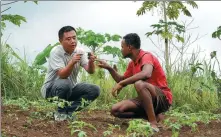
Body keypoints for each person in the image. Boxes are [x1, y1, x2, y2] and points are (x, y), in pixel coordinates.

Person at [98, 33, 172, 132]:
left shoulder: (146, 56)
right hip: (146, 99)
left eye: (122, 47)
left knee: (139, 84)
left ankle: (153, 123)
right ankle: (153, 115)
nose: (121, 49)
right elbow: (121, 79)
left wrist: (122, 84)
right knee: (115, 110)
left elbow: (146, 74)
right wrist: (109, 68)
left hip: (162, 98)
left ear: (129, 47)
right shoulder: (132, 63)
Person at [41, 26, 100, 121]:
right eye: (68, 39)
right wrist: (72, 62)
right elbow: (62, 75)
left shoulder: (80, 52)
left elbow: (90, 71)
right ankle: (61, 113)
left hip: (70, 89)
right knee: (65, 82)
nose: (73, 41)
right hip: (50, 90)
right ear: (60, 41)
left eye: (74, 37)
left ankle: (69, 111)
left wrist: (91, 62)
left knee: (95, 90)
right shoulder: (56, 52)